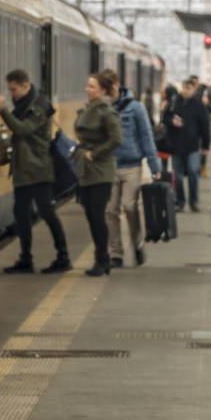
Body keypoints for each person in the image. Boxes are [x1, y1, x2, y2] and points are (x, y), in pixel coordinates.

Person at [0, 69, 71, 274]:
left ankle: (63, 257)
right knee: (21, 213)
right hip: (24, 169)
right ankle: (25, 259)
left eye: (14, 89)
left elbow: (22, 129)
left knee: (47, 212)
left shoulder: (40, 106)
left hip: (39, 169)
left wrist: (2, 110)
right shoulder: (23, 105)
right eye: (10, 90)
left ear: (26, 85)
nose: (12, 94)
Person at [107, 69, 163, 268]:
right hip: (109, 166)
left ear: (116, 86)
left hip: (131, 166)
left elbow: (146, 136)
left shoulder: (136, 108)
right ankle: (116, 253)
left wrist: (155, 165)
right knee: (110, 210)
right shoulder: (101, 108)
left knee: (130, 206)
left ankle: (137, 244)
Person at [75, 72, 123, 277]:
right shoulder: (88, 109)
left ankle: (102, 259)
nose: (88, 90)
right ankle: (101, 259)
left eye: (92, 86)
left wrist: (95, 153)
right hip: (86, 170)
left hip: (101, 171)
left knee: (97, 216)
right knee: (91, 216)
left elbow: (116, 139)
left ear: (102, 90)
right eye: (87, 86)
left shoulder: (107, 113)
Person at [163, 78, 209, 211]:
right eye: (184, 88)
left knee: (194, 172)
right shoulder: (173, 102)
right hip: (176, 145)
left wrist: (205, 146)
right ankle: (180, 201)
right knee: (178, 177)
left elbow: (204, 126)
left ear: (194, 90)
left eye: (189, 88)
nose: (186, 91)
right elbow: (164, 118)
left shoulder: (199, 106)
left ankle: (194, 201)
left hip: (193, 145)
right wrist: (172, 121)